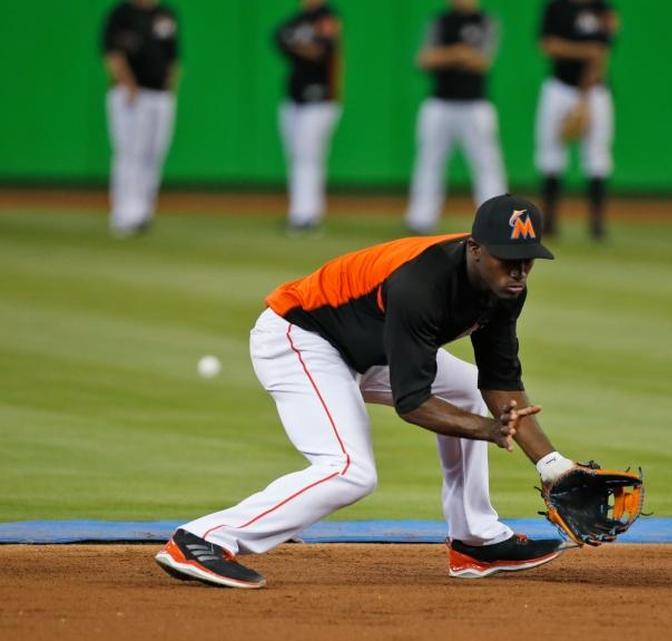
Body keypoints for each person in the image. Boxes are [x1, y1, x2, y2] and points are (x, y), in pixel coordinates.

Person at [155, 195, 586, 588]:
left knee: (467, 392)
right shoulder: (422, 283)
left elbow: (499, 382)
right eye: (508, 259)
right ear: (474, 248)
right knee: (350, 470)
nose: (519, 270)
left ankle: (476, 541)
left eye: (528, 259)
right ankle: (204, 538)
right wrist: (488, 429)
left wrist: (553, 467)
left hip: (364, 348)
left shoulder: (505, 289)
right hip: (300, 337)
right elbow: (413, 402)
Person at [405, 0, 508, 236]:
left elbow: (482, 61)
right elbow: (424, 59)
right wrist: (458, 53)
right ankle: (421, 218)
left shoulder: (485, 21)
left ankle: (497, 222)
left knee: (486, 163)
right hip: (440, 103)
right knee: (429, 161)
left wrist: (446, 55)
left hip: (475, 105)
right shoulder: (440, 21)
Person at [535, 0, 618, 241]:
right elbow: (548, 45)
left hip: (595, 91)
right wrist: (584, 50)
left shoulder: (603, 8)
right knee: (550, 153)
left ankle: (597, 223)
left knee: (597, 154)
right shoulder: (556, 7)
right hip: (559, 88)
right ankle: (549, 221)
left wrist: (585, 99)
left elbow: (602, 52)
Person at [101, 0, 179, 237]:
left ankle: (143, 211)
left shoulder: (165, 14)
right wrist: (127, 85)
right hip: (131, 94)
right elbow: (112, 53)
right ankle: (124, 213)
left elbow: (174, 56)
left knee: (154, 153)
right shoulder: (121, 14)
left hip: (160, 95)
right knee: (129, 154)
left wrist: (170, 88)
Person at [275, 0, 343, 234]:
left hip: (320, 100)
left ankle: (307, 216)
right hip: (294, 98)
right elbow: (277, 37)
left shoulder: (326, 16)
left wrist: (295, 45)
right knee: (297, 157)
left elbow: (320, 50)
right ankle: (301, 212)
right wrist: (299, 45)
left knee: (309, 158)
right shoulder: (297, 19)